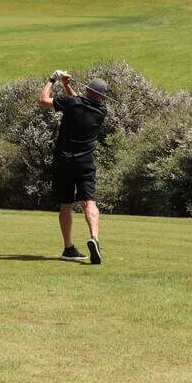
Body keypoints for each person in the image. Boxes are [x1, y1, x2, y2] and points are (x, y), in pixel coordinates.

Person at [38, 71, 108, 264]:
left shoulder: (72, 104)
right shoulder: (101, 111)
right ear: (102, 96)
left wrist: (53, 79)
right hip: (85, 162)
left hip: (63, 161)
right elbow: (79, 102)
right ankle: (94, 238)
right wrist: (68, 85)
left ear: (87, 89)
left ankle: (68, 248)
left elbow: (43, 100)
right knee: (90, 202)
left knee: (66, 205)